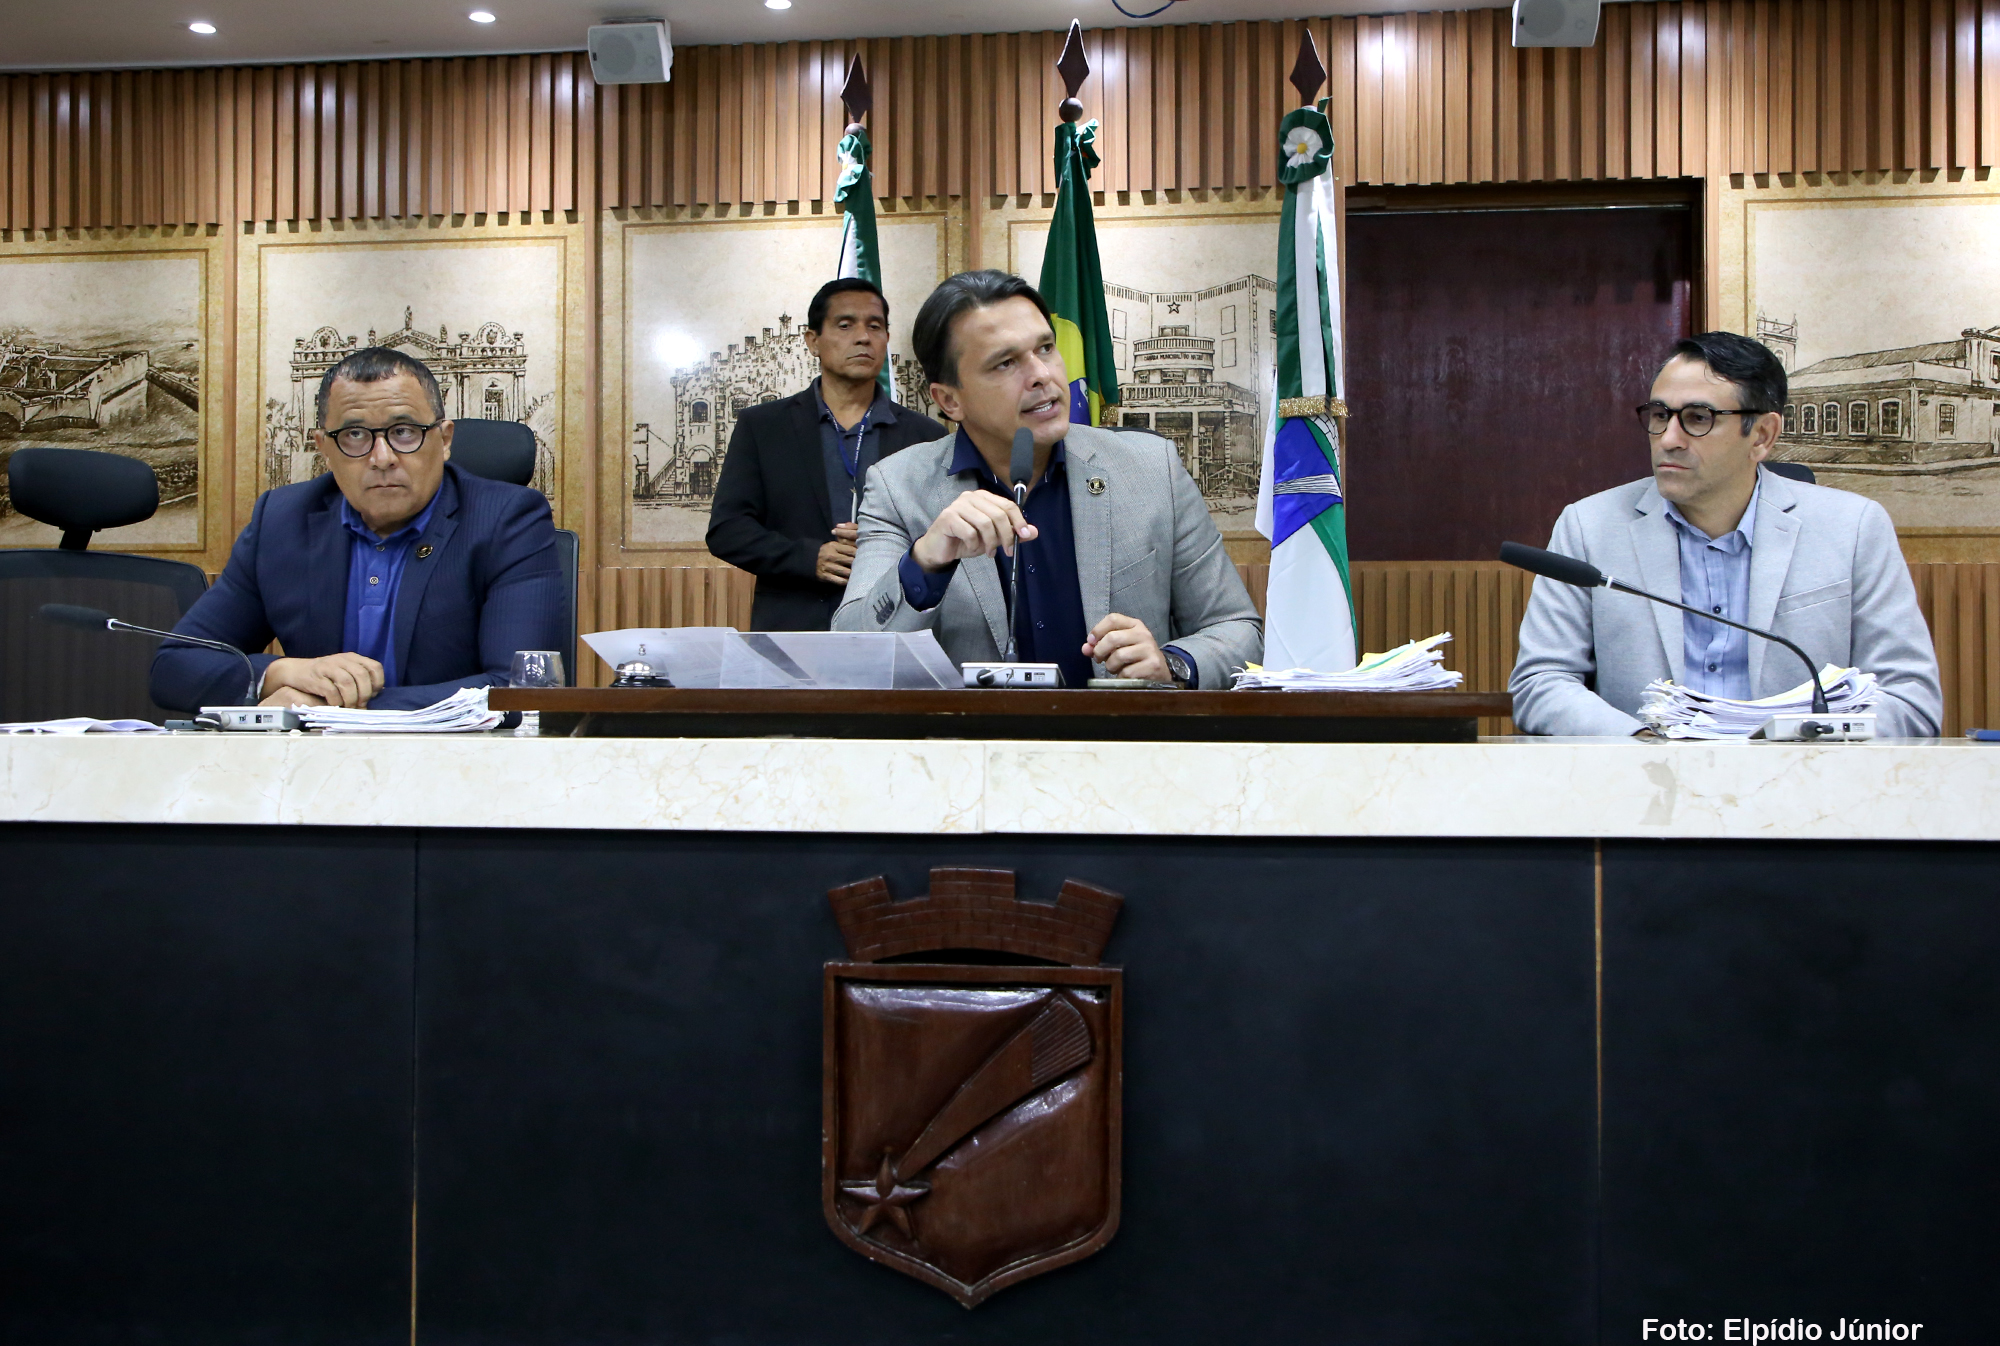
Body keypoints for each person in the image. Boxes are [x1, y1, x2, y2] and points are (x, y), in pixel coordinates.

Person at [833, 269, 1261, 688]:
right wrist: (925, 561)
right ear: (950, 400)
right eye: (1005, 363)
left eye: (1045, 348)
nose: (1042, 374)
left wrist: (1172, 664)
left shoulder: (1150, 469)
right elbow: (852, 657)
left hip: (1122, 733)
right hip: (973, 736)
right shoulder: (898, 487)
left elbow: (1238, 630)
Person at [1509, 330, 1942, 736]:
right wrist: (1642, 744)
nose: (1669, 439)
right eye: (1659, 415)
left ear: (1762, 436)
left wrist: (1793, 741)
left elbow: (1910, 698)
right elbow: (1541, 682)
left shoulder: (1853, 528)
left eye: (1698, 418)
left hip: (1800, 778)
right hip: (1646, 778)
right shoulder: (1589, 527)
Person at [150, 346, 565, 711]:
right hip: (313, 766)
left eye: (404, 432)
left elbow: (523, 690)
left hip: (459, 763)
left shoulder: (507, 519)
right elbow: (175, 668)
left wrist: (333, 708)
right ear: (324, 448)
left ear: (444, 439)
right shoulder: (282, 520)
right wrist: (279, 673)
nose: (382, 457)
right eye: (354, 435)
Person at [706, 278, 948, 631]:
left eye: (875, 326)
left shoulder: (926, 435)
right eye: (845, 325)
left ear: (886, 338)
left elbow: (943, 533)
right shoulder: (763, 426)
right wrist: (808, 557)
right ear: (813, 340)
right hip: (794, 628)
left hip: (896, 627)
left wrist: (887, 544)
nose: (863, 337)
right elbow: (727, 531)